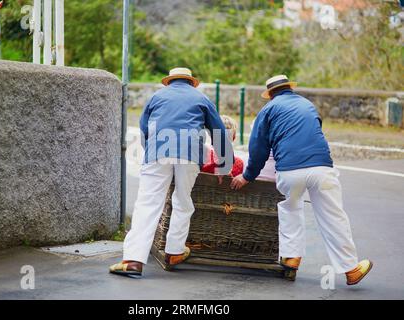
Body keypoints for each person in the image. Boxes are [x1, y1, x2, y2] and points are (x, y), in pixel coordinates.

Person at [230, 75, 373, 286]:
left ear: (270, 94)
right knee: (333, 215)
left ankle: (291, 258)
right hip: (321, 167)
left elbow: (258, 148)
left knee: (290, 208)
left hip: (290, 170)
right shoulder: (307, 104)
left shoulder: (268, 110)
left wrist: (247, 176)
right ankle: (351, 269)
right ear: (290, 88)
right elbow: (314, 131)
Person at [110, 68, 234, 277]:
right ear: (191, 82)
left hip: (158, 151)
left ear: (169, 82)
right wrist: (224, 166)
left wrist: (150, 152)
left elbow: (144, 129)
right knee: (183, 201)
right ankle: (175, 252)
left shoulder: (156, 97)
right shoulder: (201, 98)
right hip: (189, 153)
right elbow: (218, 131)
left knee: (148, 204)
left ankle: (133, 260)